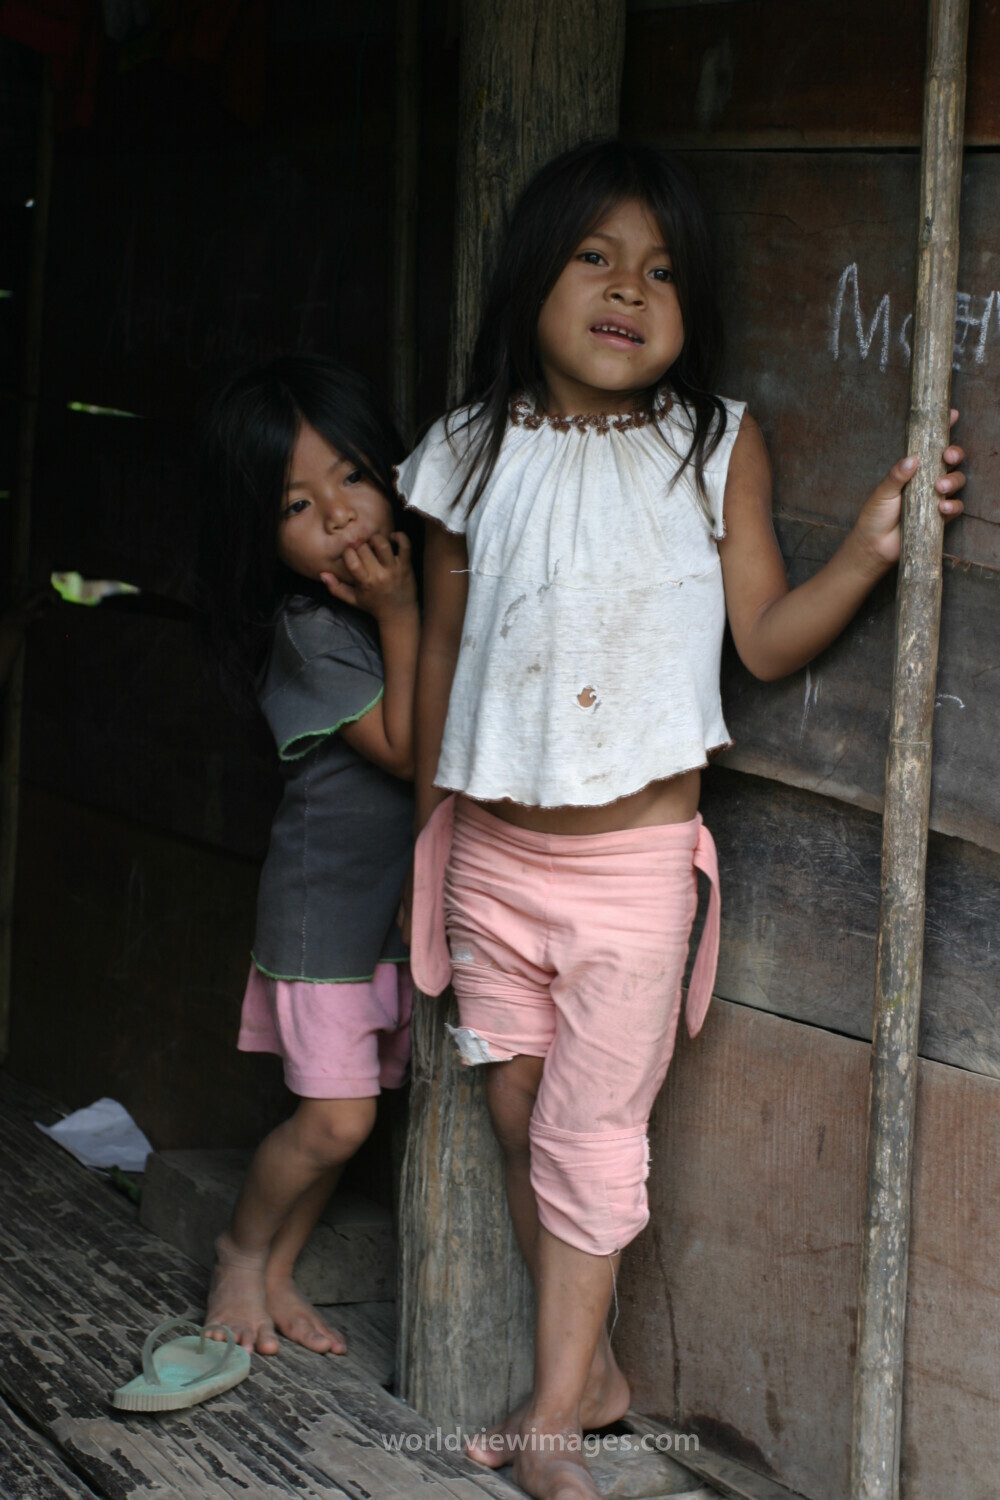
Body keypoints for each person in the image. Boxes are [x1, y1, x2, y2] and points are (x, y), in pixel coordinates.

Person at [398, 140, 965, 1500]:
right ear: (530, 276)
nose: (627, 289)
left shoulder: (714, 442)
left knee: (591, 1132)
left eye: (660, 271)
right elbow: (440, 659)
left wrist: (874, 551)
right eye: (595, 257)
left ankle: (551, 1416)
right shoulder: (465, 454)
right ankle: (587, 1375)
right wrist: (423, 845)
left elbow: (764, 640)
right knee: (521, 1107)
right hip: (488, 858)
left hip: (633, 872)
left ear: (693, 306)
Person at [198, 355, 419, 1356]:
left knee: (352, 1112)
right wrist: (404, 613)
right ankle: (240, 1252)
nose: (337, 513)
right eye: (297, 502)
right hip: (322, 924)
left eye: (352, 476)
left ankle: (280, 1274)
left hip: (380, 925)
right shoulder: (312, 629)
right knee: (334, 1123)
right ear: (261, 534)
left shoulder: (397, 603)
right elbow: (411, 751)